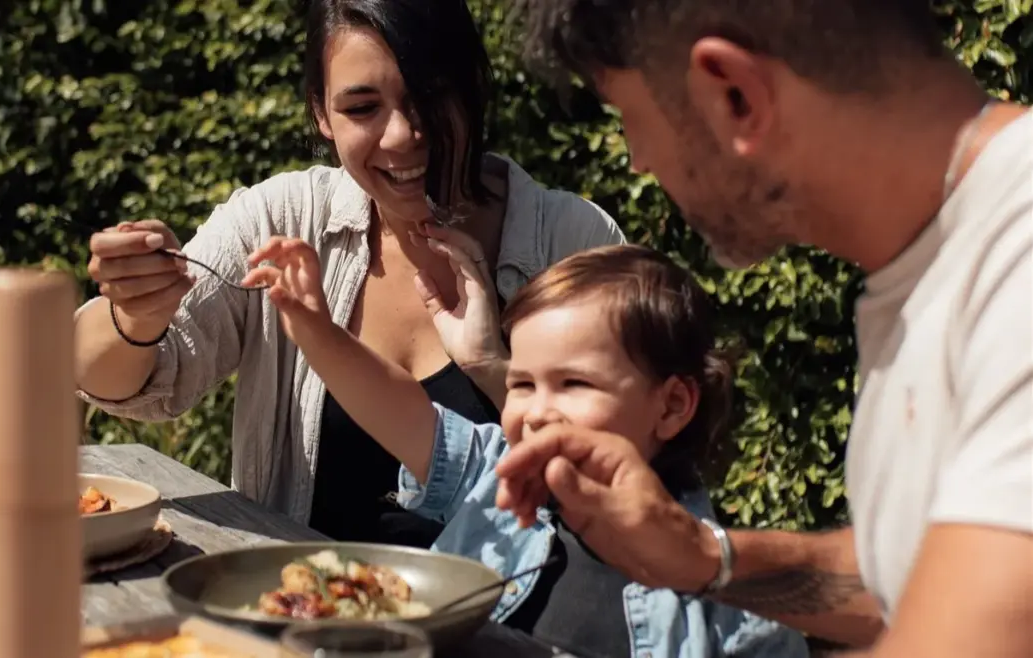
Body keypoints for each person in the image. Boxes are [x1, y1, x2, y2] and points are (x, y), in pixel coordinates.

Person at [494, 2, 1033, 657]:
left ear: (734, 94)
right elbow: (915, 576)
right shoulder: (937, 269)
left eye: (630, 117)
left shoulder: (1018, 260)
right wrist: (703, 556)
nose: (638, 161)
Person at [72, 0, 625, 549]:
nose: (403, 136)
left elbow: (631, 472)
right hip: (303, 607)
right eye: (363, 109)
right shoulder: (279, 220)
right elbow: (128, 387)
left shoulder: (573, 243)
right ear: (321, 114)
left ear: (473, 87)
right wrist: (135, 313)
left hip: (510, 629)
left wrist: (495, 369)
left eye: (429, 95)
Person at [245, 236, 809, 657]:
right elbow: (403, 412)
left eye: (574, 384)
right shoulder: (496, 481)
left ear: (672, 406)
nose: (537, 411)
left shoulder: (734, 608)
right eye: (521, 384)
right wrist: (315, 328)